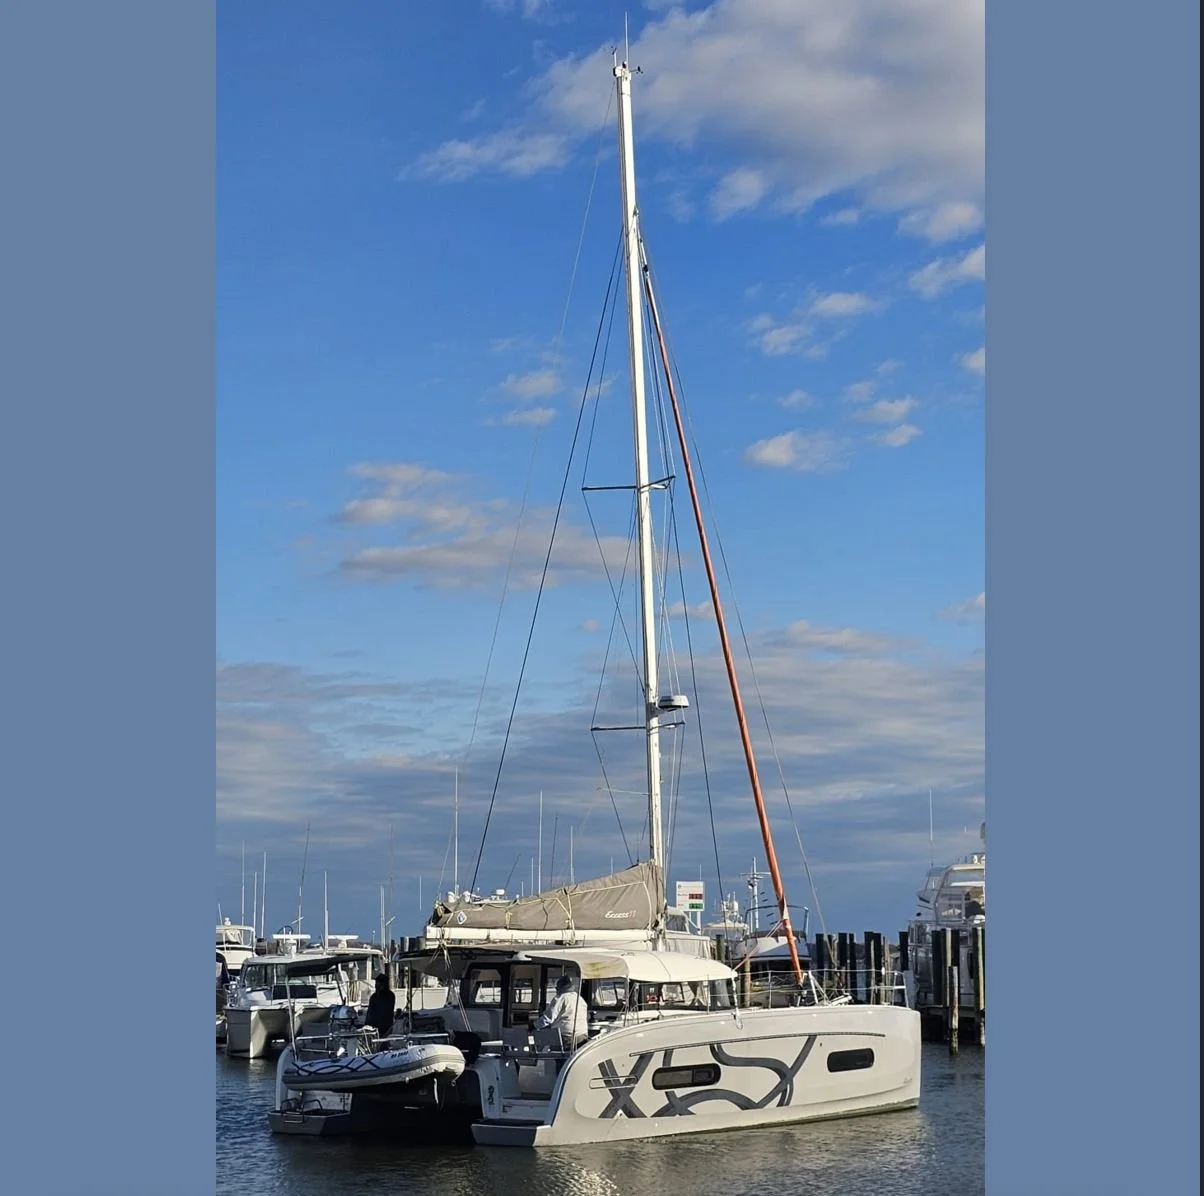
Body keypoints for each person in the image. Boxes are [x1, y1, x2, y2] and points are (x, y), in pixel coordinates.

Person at [534, 975, 589, 1049]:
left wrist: (534, 1025)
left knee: (556, 1054)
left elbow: (548, 1018)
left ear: (559, 987)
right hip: (582, 1035)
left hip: (566, 1037)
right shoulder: (579, 998)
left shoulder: (561, 998)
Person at [365, 973, 396, 1041]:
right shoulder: (374, 996)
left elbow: (387, 1011)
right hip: (373, 1026)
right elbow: (370, 1011)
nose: (376, 985)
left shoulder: (390, 996)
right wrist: (366, 1024)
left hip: (385, 1026)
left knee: (383, 1043)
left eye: (378, 983)